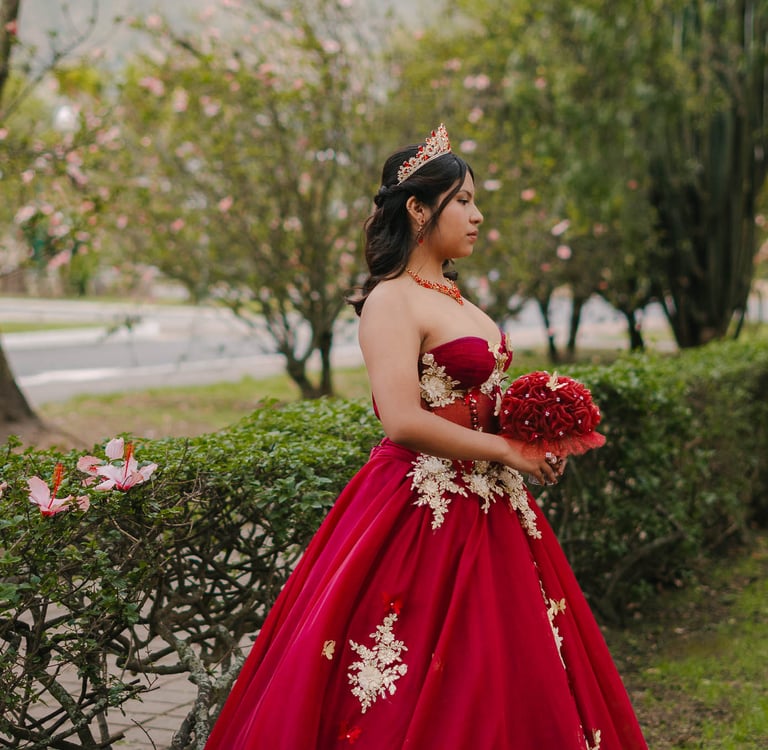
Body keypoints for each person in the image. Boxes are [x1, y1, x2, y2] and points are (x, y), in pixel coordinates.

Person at [204, 124, 648, 749]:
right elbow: (403, 420)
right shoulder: (391, 300)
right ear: (417, 208)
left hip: (493, 508)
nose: (477, 214)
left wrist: (536, 429)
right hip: (419, 507)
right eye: (463, 200)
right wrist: (506, 451)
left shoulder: (462, 303)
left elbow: (479, 403)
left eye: (474, 200)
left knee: (505, 664)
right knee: (411, 674)